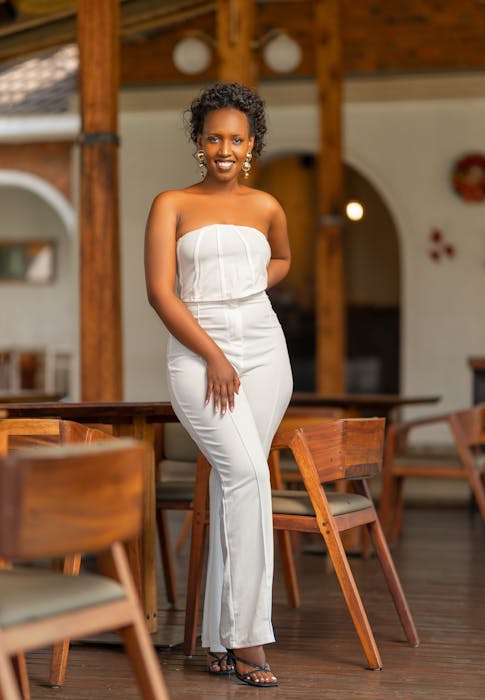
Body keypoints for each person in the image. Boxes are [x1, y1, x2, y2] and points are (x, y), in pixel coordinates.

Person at [145, 82, 293, 688]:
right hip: (198, 349)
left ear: (251, 143)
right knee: (248, 476)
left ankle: (218, 638)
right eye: (214, 137)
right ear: (198, 142)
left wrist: (247, 292)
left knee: (242, 487)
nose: (225, 148)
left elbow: (280, 260)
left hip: (264, 349)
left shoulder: (267, 206)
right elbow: (160, 292)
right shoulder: (171, 203)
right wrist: (214, 353)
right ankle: (250, 636)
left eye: (236, 138)